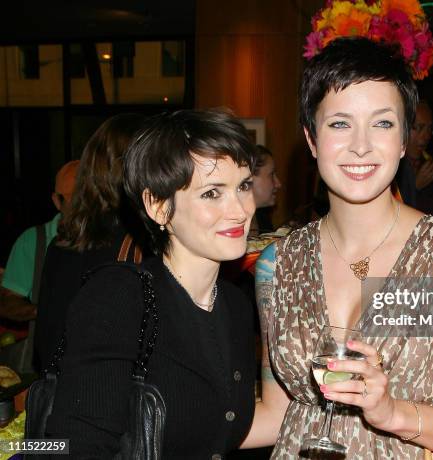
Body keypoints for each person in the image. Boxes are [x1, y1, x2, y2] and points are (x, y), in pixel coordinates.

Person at [242, 37, 433, 458]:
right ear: (311, 139)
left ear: (404, 139)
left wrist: (393, 415)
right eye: (339, 123)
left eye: (383, 123)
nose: (361, 145)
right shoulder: (277, 263)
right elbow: (278, 412)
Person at [46, 109, 258, 458]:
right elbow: (75, 447)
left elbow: (222, 427)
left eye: (243, 186)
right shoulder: (120, 296)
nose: (239, 210)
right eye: (211, 193)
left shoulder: (235, 306)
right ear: (158, 206)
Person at [34, 113, 146, 371]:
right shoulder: (140, 243)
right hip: (112, 401)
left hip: (67, 398)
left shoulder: (64, 241)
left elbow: (48, 342)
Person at [0, 160, 79, 322]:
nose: (82, 211)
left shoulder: (110, 238)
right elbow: (7, 303)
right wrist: (45, 311)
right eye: (75, 203)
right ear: (57, 201)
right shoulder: (33, 241)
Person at [395, 100, 433, 224]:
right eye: (419, 128)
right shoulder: (392, 169)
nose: (426, 136)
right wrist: (414, 186)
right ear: (403, 129)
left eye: (429, 129)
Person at [249, 145, 282, 236]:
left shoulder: (262, 218)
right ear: (249, 178)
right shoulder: (225, 226)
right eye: (271, 175)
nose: (278, 184)